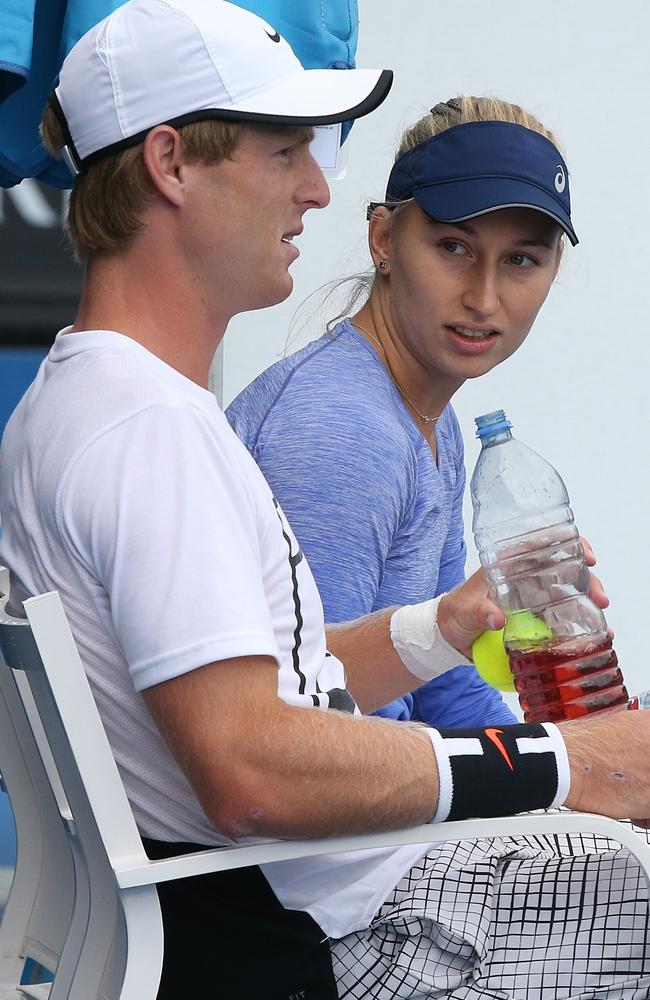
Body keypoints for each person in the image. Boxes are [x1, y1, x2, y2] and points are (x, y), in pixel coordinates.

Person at [2, 3, 650, 999]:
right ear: (170, 164)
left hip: (327, 895)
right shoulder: (150, 436)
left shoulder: (101, 399)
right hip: (352, 928)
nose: (316, 187)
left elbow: (270, 693)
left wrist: (441, 627)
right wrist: (563, 760)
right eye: (282, 152)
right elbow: (252, 769)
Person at [227, 95, 572, 730]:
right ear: (383, 237)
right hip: (313, 816)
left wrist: (580, 764)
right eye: (453, 247)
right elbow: (310, 716)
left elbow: (443, 689)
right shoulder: (342, 428)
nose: (483, 297)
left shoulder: (428, 421)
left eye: (521, 260)